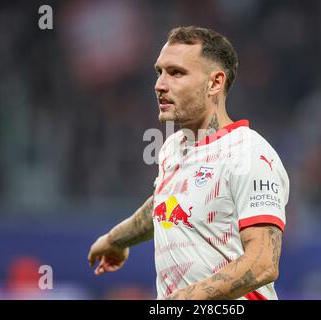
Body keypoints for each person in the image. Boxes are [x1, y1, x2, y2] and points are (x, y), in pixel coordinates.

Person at [87, 26, 290, 300]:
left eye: (176, 73)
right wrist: (115, 239)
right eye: (159, 72)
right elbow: (168, 203)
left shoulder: (250, 154)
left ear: (214, 83)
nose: (160, 84)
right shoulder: (173, 146)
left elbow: (264, 262)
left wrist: (186, 298)